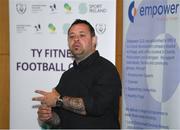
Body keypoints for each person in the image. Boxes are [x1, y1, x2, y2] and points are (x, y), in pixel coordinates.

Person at [32, 19, 122, 129]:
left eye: (82, 35)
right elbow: (59, 120)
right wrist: (48, 117)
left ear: (94, 40)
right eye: (71, 36)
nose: (76, 39)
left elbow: (96, 107)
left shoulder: (107, 70)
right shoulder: (67, 76)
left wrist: (58, 100)